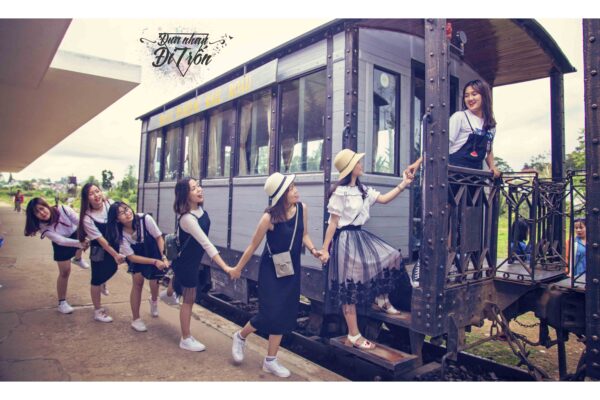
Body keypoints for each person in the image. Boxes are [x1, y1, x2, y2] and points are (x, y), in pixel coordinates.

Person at [229, 172, 322, 378]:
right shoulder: (268, 218)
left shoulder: (302, 209)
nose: (296, 191)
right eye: (291, 189)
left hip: (290, 269)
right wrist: (237, 268)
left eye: (294, 186)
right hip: (271, 271)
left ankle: (270, 360)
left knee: (284, 313)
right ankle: (240, 336)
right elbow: (252, 246)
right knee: (269, 313)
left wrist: (314, 250)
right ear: (281, 195)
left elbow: (304, 234)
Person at [319, 149, 413, 350]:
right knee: (349, 289)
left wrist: (404, 183)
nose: (361, 164)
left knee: (393, 257)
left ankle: (382, 299)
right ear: (350, 168)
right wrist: (325, 249)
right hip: (345, 240)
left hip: (360, 237)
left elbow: (385, 199)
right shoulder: (340, 192)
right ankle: (354, 335)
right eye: (357, 162)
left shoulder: (363, 191)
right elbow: (333, 223)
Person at [171, 177, 235, 352]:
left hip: (193, 260)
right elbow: (206, 244)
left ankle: (168, 293)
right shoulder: (187, 218)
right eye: (193, 188)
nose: (199, 189)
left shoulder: (199, 211)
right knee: (189, 299)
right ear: (185, 194)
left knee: (181, 291)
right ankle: (185, 338)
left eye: (198, 186)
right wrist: (226, 267)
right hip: (186, 263)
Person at [405, 79, 500, 177]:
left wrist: (492, 166)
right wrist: (418, 163)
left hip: (475, 177)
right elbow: (440, 144)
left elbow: (488, 149)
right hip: (454, 174)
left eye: (474, 94)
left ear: (484, 96)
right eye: (466, 96)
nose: (470, 98)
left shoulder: (491, 124)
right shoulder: (460, 117)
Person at [106, 201, 168, 332]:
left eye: (127, 209)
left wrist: (163, 257)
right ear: (116, 219)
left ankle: (154, 300)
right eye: (121, 213)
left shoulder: (145, 219)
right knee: (138, 282)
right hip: (137, 256)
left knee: (155, 281)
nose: (127, 213)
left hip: (152, 250)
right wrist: (154, 262)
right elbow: (132, 257)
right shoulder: (120, 235)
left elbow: (158, 237)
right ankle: (136, 319)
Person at [24, 197, 90, 314]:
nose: (42, 213)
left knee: (82, 237)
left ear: (46, 205)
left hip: (75, 232)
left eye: (42, 208)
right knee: (65, 272)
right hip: (61, 243)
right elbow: (61, 241)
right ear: (34, 216)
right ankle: (62, 303)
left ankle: (77, 259)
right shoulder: (42, 227)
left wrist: (87, 237)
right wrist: (80, 243)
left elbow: (79, 222)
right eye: (37, 212)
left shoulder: (63, 209)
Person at [78, 183, 125, 323]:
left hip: (114, 244)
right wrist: (115, 255)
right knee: (96, 279)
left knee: (112, 269)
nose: (96, 195)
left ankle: (103, 282)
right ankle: (98, 311)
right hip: (99, 249)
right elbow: (101, 240)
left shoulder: (110, 204)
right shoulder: (87, 218)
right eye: (91, 194)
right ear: (86, 199)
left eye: (97, 191)